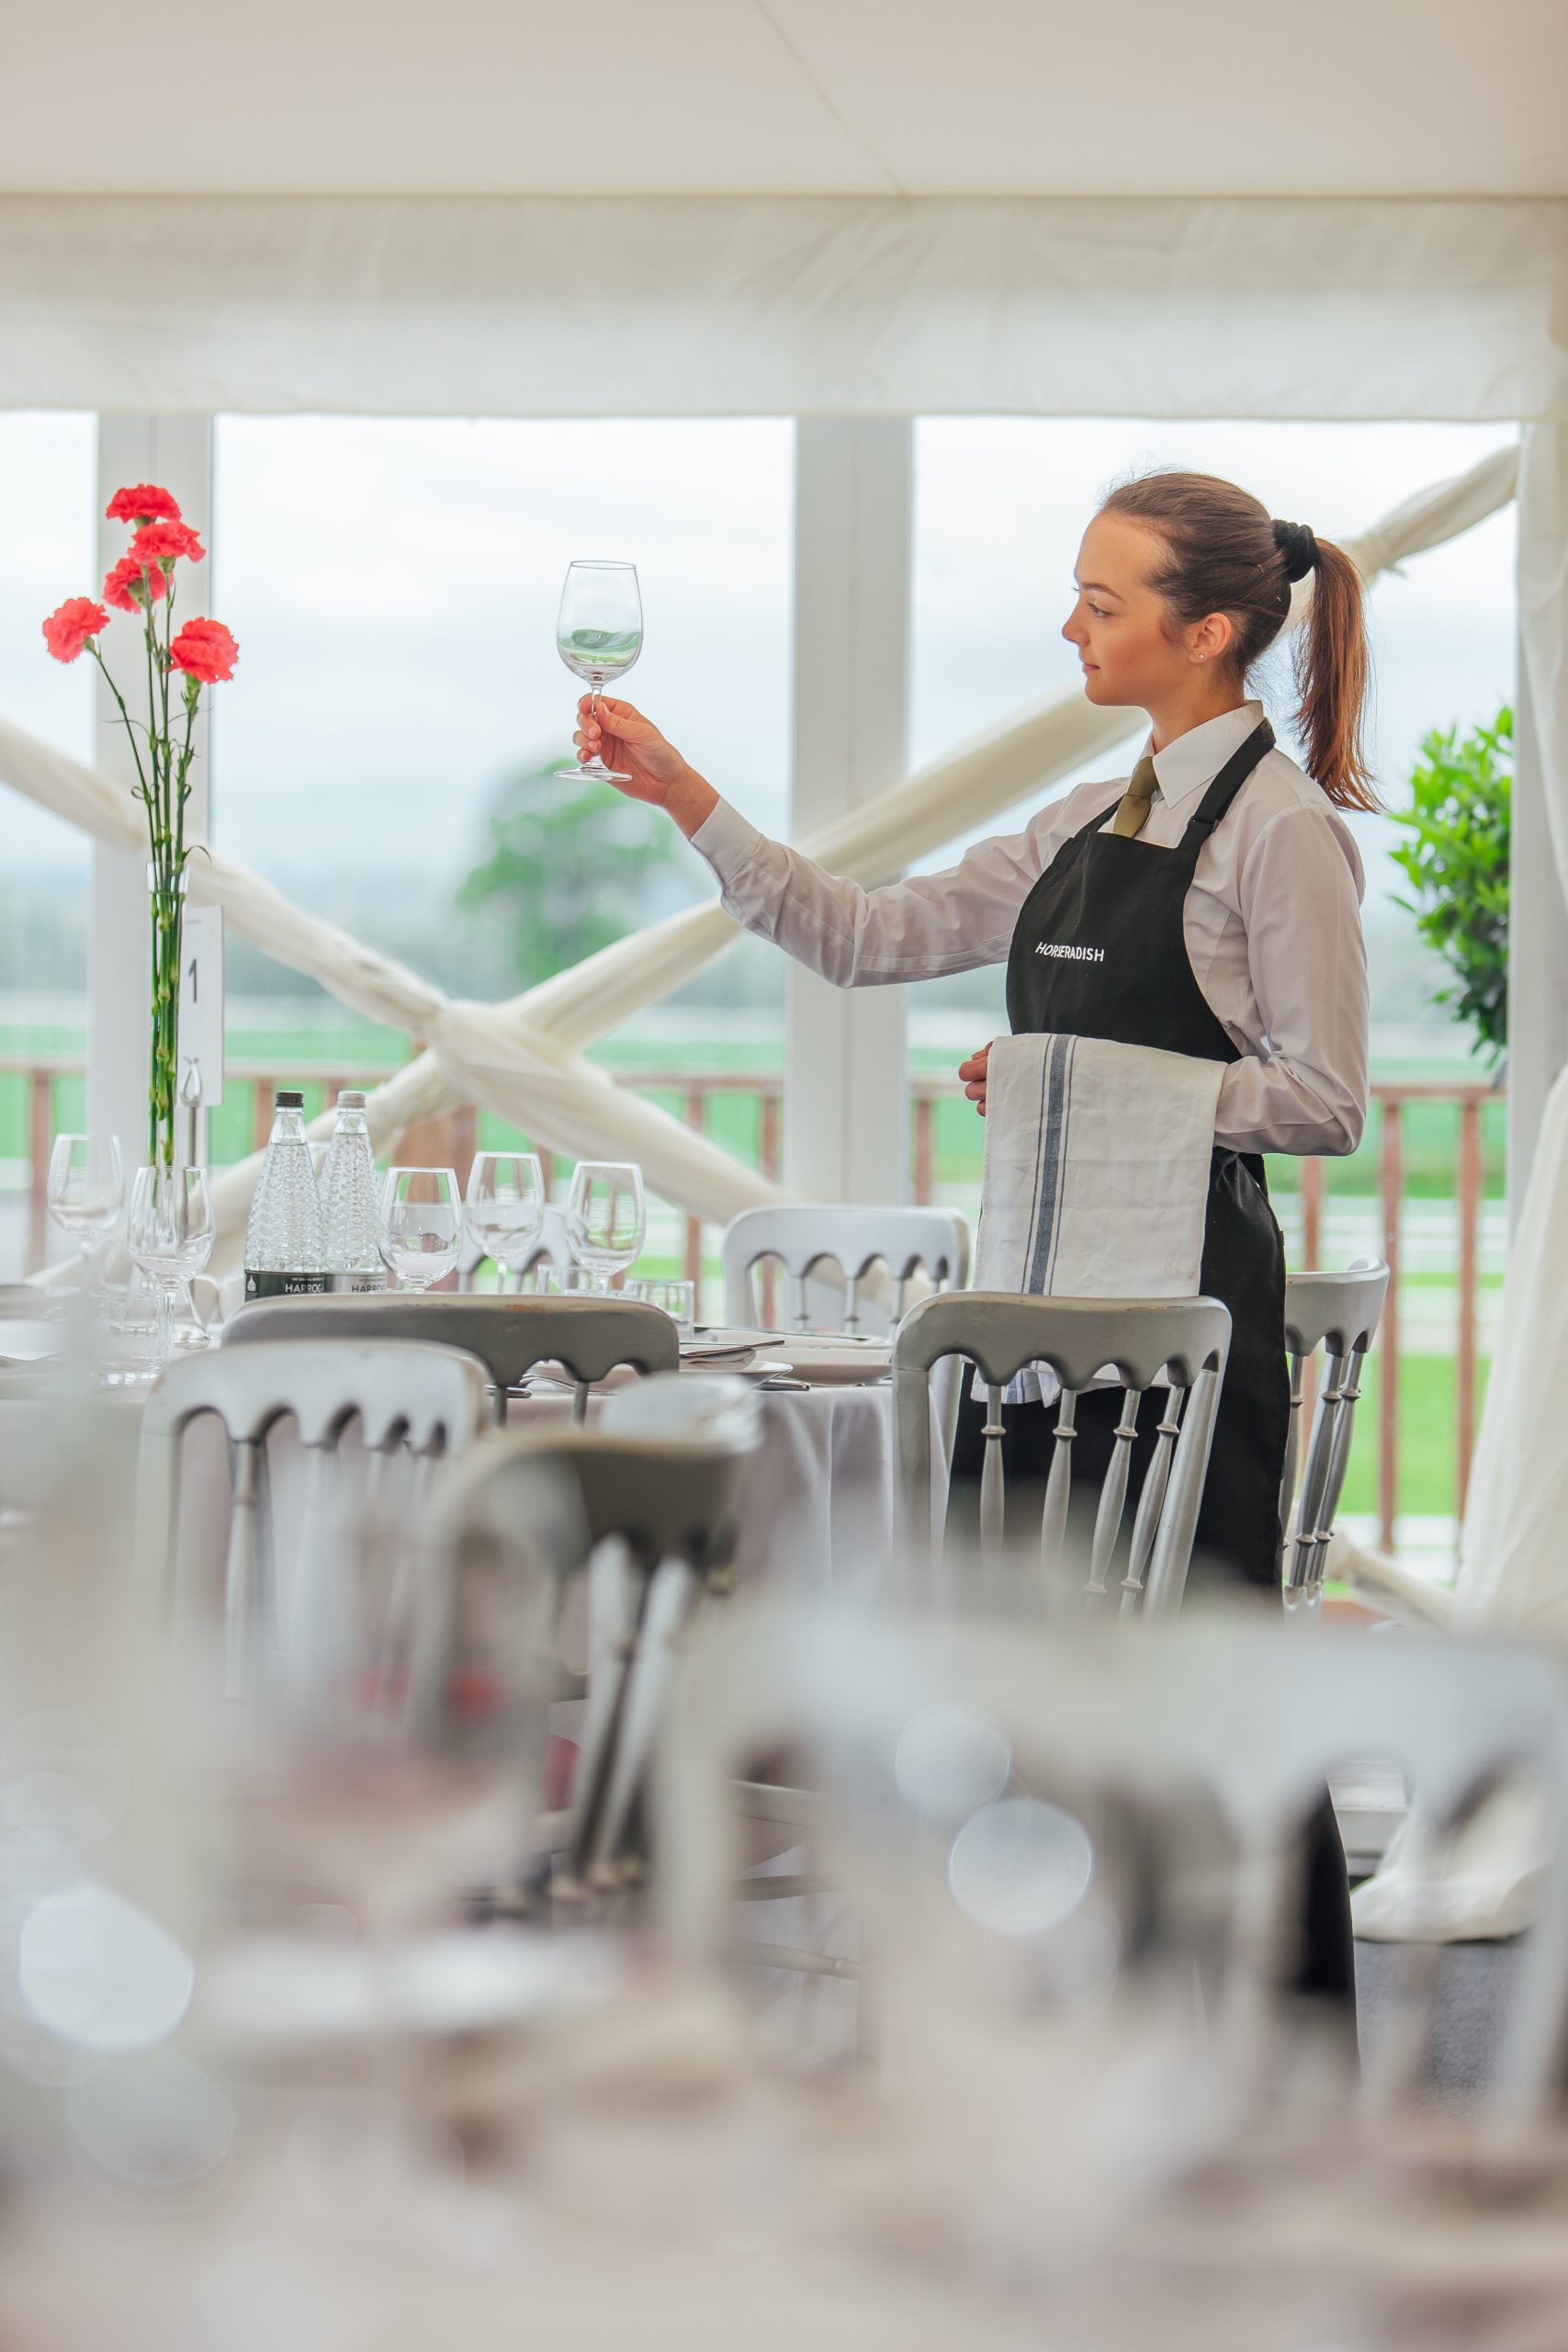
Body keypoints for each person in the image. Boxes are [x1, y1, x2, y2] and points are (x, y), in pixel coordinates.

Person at [574, 467, 1373, 2002]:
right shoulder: (1088, 818)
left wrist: (1075, 1080)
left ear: (1206, 630)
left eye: (1101, 602)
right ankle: (1054, 2024)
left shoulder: (1284, 833)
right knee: (1030, 1685)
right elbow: (861, 936)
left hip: (1188, 1336)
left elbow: (1326, 1101)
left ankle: (1273, 2039)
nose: (1070, 626)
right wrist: (686, 796)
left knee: (1202, 1689)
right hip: (1037, 1328)